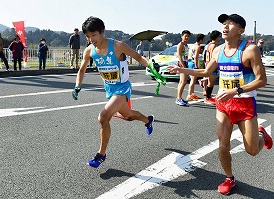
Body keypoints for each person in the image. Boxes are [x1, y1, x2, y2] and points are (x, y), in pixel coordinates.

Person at [168, 13, 273, 195]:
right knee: (223, 145)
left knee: (252, 150)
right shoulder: (218, 50)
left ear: (241, 30)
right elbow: (206, 71)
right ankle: (229, 178)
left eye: (230, 24)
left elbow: (262, 80)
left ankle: (261, 134)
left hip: (245, 104)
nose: (225, 27)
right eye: (224, 23)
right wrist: (181, 69)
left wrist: (236, 91)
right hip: (223, 105)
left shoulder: (250, 50)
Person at [72, 16, 154, 168]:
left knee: (103, 117)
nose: (91, 39)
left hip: (123, 87)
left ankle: (101, 155)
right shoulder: (89, 50)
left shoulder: (117, 46)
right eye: (88, 36)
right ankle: (147, 120)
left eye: (94, 35)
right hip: (110, 89)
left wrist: (152, 66)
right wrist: (78, 86)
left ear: (102, 32)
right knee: (128, 115)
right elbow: (82, 69)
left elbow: (138, 57)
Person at [203, 30, 222, 104]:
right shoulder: (213, 45)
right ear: (216, 37)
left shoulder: (208, 45)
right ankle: (208, 98)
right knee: (211, 83)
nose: (219, 38)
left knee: (210, 82)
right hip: (212, 66)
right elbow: (213, 57)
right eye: (219, 36)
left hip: (208, 64)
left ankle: (209, 96)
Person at [187, 33, 205, 101]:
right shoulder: (197, 47)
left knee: (193, 80)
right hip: (193, 64)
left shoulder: (192, 46)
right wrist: (196, 66)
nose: (203, 41)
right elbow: (196, 57)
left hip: (190, 63)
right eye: (203, 39)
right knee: (192, 80)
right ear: (201, 40)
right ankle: (189, 95)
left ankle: (192, 94)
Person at [175, 30, 191, 106]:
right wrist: (182, 65)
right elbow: (179, 55)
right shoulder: (180, 44)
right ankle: (178, 98)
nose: (187, 38)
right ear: (182, 36)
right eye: (185, 36)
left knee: (182, 82)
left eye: (188, 36)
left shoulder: (186, 45)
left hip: (185, 63)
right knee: (183, 81)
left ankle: (179, 98)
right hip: (182, 63)